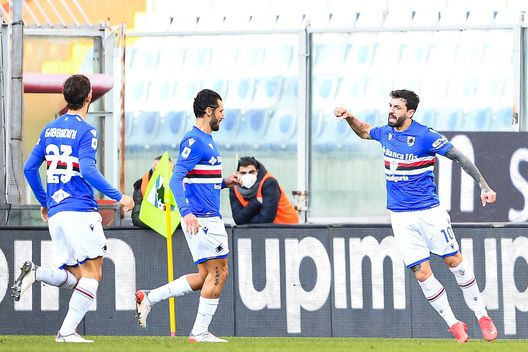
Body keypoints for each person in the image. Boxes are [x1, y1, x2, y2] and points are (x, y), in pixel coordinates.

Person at [334, 89, 498, 343]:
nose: (391, 110)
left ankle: (482, 315)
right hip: (400, 217)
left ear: (409, 113)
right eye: (390, 105)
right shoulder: (386, 133)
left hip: (429, 212)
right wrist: (349, 118)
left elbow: (460, 157)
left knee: (454, 261)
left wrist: (484, 186)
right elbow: (365, 131)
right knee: (422, 273)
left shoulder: (425, 136)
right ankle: (454, 324)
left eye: (397, 107)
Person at [16, 74, 134, 343]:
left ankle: (37, 273)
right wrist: (119, 197)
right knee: (94, 273)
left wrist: (46, 202)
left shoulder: (49, 130)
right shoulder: (86, 131)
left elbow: (29, 168)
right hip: (80, 210)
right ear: (89, 96)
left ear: (66, 96)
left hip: (57, 214)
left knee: (74, 276)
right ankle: (66, 332)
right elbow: (88, 169)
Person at [135, 89, 240, 343]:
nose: (223, 116)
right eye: (221, 110)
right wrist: (187, 213)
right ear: (209, 111)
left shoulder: (206, 140)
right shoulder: (194, 141)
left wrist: (225, 182)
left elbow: (200, 180)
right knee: (220, 273)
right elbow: (175, 180)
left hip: (204, 215)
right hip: (203, 218)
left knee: (205, 276)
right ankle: (199, 332)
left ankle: (149, 297)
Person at [229, 156, 299, 224]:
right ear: (237, 174)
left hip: (288, 226)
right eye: (243, 173)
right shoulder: (234, 186)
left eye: (251, 172)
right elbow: (238, 219)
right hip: (259, 229)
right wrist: (256, 202)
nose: (247, 175)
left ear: (257, 171)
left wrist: (245, 221)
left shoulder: (269, 183)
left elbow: (266, 219)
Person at [131, 155, 174, 228]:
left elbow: (191, 217)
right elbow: (136, 218)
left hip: (177, 233)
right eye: (157, 170)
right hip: (150, 234)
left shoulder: (185, 184)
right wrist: (159, 222)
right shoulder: (141, 186)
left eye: (166, 171)